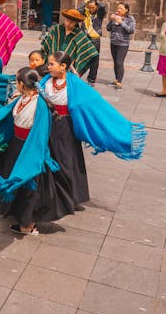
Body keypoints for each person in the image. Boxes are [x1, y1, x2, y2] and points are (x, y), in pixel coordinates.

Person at [41, 51, 146, 210]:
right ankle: (52, 195)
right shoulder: (45, 81)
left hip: (65, 128)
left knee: (67, 161)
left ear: (63, 67)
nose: (47, 67)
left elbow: (96, 104)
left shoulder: (74, 84)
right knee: (49, 160)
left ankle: (70, 196)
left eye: (51, 64)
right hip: (48, 126)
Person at [0, 67, 70, 235]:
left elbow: (40, 133)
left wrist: (34, 154)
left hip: (30, 148)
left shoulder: (40, 104)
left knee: (29, 186)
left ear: (21, 84)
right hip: (16, 145)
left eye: (16, 82)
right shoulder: (22, 98)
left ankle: (28, 225)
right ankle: (10, 209)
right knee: (9, 176)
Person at [40, 9, 98, 76]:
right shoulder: (56, 29)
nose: (68, 23)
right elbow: (45, 46)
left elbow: (92, 53)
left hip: (67, 69)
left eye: (72, 22)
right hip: (51, 66)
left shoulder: (79, 34)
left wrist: (80, 72)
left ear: (76, 23)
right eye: (67, 20)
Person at [77, 0, 106, 85]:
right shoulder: (85, 13)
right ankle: (78, 74)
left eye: (93, 7)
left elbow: (103, 7)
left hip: (94, 39)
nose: (91, 9)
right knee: (81, 57)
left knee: (94, 59)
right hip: (84, 38)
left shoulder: (99, 14)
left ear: (96, 7)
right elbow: (77, 11)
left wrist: (96, 0)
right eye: (89, 7)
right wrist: (85, 1)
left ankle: (91, 79)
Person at [106, 3, 136, 89]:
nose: (118, 10)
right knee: (115, 62)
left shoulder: (130, 18)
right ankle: (116, 79)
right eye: (118, 8)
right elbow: (108, 28)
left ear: (126, 9)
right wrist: (111, 20)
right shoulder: (115, 17)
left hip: (123, 44)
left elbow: (131, 30)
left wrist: (121, 22)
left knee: (119, 62)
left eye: (121, 8)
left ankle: (119, 82)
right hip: (113, 43)